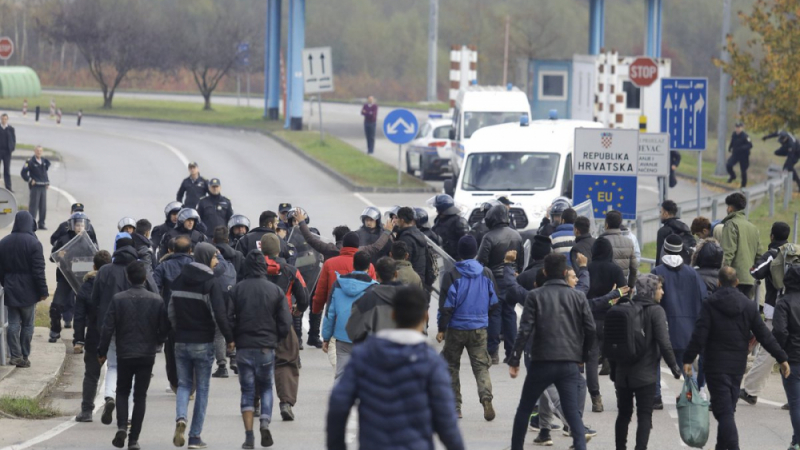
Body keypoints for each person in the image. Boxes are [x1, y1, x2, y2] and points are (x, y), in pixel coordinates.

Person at [327, 285, 465, 450]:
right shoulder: (431, 361)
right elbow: (445, 420)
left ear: (393, 314)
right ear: (424, 317)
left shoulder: (364, 355)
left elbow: (339, 403)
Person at [684, 267, 790, 450]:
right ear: (737, 283)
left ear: (718, 282)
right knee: (727, 411)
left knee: (724, 413)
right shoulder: (748, 306)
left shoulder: (710, 304)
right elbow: (764, 335)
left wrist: (688, 358)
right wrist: (781, 357)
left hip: (715, 366)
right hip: (736, 368)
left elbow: (699, 334)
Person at [508, 253, 594, 450]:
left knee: (524, 409)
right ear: (565, 272)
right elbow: (590, 329)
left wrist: (514, 359)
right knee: (572, 411)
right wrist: (583, 356)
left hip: (541, 361)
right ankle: (580, 446)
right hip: (569, 362)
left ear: (545, 272)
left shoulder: (534, 296)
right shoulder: (578, 296)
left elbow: (525, 329)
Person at [168, 243, 234, 449]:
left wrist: (179, 329)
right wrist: (229, 338)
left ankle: (181, 418)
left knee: (184, 384)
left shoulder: (178, 280)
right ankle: (195, 437)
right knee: (202, 389)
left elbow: (170, 311)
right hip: (203, 342)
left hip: (181, 340)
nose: (216, 261)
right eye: (214, 257)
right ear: (206, 258)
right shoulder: (210, 283)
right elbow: (219, 315)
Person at [98, 261, 169, 450]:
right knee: (140, 396)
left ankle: (121, 426)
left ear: (128, 278)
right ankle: (134, 439)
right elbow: (164, 328)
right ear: (145, 278)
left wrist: (102, 351)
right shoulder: (156, 300)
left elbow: (107, 328)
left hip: (125, 351)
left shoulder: (118, 299)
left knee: (122, 391)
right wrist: (158, 341)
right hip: (147, 353)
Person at [92, 233, 158, 426]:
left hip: (109, 325)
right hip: (135, 329)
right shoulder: (139, 270)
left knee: (113, 366)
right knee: (131, 373)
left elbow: (94, 299)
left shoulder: (104, 271)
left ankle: (108, 397)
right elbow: (155, 293)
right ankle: (128, 415)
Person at [230, 249, 293, 449]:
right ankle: (265, 422)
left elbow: (228, 317)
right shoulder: (274, 290)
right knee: (266, 387)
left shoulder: (237, 290)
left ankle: (249, 436)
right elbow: (285, 321)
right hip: (266, 346)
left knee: (247, 390)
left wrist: (232, 338)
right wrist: (277, 338)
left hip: (244, 347)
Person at [611, 274, 681, 450]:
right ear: (651, 291)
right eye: (659, 288)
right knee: (644, 416)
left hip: (623, 374)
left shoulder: (624, 307)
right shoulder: (656, 311)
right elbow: (664, 342)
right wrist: (674, 368)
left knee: (624, 415)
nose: (662, 292)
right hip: (645, 375)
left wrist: (614, 371)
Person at [437, 235, 498, 420]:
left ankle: (455, 407)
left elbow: (445, 307)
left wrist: (441, 328)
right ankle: (486, 398)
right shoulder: (486, 273)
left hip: (456, 328)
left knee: (451, 366)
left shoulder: (451, 274)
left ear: (459, 253)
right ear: (475, 251)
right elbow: (494, 302)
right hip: (479, 328)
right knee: (481, 367)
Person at [651, 234, 708, 409]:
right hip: (687, 327)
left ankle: (655, 397)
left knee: (654, 360)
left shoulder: (657, 272)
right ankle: (693, 391)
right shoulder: (692, 273)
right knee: (686, 363)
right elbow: (702, 298)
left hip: (663, 325)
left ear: (664, 249)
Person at [740, 221, 791, 405]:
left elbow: (756, 272)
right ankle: (794, 398)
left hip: (776, 310)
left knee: (768, 351)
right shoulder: (794, 253)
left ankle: (751, 391)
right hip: (797, 309)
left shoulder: (773, 254)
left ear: (772, 236)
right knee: (794, 354)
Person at [261, 233, 308, 420]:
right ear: (279, 249)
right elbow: (303, 296)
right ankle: (286, 402)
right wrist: (297, 310)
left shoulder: (253, 269)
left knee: (258, 360)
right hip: (283, 320)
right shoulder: (291, 270)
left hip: (258, 322)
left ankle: (256, 402)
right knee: (287, 361)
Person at [0, 211, 48, 368]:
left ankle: (15, 355)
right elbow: (38, 270)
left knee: (13, 323)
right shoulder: (34, 243)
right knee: (27, 325)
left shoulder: (4, 242)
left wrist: (5, 283)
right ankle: (25, 355)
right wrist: (43, 291)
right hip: (29, 290)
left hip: (10, 288)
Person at [477, 205, 524, 364]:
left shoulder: (489, 237)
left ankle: (493, 352)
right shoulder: (516, 235)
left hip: (493, 280)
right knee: (510, 314)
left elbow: (481, 261)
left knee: (494, 314)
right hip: (511, 278)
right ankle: (511, 352)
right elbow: (521, 262)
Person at [586, 237, 627, 412]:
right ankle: (620, 394)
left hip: (590, 318)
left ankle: (596, 398)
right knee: (618, 358)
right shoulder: (615, 269)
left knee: (591, 359)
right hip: (612, 319)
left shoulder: (587, 269)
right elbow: (624, 294)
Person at [322, 251, 377, 380]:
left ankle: (340, 399)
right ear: (369, 267)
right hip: (366, 337)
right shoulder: (375, 288)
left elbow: (330, 313)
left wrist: (326, 337)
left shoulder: (338, 284)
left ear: (353, 265)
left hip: (342, 335)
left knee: (341, 374)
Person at [73, 250, 112, 422]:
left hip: (94, 336)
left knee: (91, 375)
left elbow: (79, 317)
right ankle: (118, 405)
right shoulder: (116, 284)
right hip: (115, 335)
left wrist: (78, 340)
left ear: (94, 266)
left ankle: (87, 410)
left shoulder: (86, 286)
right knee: (118, 371)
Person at [153, 236, 194, 391]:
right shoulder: (196, 265)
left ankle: (176, 382)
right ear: (190, 250)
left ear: (172, 250)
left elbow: (154, 287)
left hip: (170, 313)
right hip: (193, 313)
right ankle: (190, 383)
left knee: (171, 350)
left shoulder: (164, 266)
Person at [49, 212, 90, 343]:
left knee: (85, 308)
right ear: (72, 225)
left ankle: (80, 337)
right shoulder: (64, 239)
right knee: (56, 306)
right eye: (77, 225)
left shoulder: (88, 240)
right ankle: (55, 331)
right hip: (65, 277)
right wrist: (59, 254)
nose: (80, 227)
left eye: (82, 225)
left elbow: (96, 256)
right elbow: (52, 257)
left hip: (83, 279)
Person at [312, 231, 376, 316]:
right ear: (358, 245)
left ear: (343, 245)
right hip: (359, 315)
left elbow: (321, 290)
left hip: (334, 311)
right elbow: (373, 292)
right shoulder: (368, 265)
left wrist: (316, 308)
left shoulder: (329, 263)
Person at [773, 260, 800, 450]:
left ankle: (798, 440)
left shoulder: (783, 303)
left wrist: (780, 355)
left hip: (792, 358)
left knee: (796, 403)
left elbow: (780, 331)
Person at [346, 257, 402, 343]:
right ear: (396, 274)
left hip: (374, 352)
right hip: (404, 353)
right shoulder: (412, 298)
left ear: (377, 275)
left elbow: (352, 331)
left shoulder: (367, 299)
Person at [721, 192, 760, 298]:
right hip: (750, 279)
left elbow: (728, 253)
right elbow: (759, 255)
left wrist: (722, 276)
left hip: (734, 278)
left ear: (730, 208)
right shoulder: (753, 227)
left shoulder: (731, 224)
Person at [600, 210, 637, 289]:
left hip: (604, 287)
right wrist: (630, 286)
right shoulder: (629, 242)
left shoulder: (601, 242)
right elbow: (634, 268)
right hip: (622, 287)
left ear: (606, 224)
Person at [393, 206, 430, 283]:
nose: (396, 221)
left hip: (409, 279)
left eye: (397, 218)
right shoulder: (418, 233)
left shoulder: (406, 238)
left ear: (402, 220)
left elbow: (404, 262)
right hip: (419, 277)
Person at [20, 145, 50, 230]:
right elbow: (23, 173)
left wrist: (47, 182)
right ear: (34, 151)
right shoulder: (30, 161)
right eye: (37, 151)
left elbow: (44, 173)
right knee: (34, 206)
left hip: (43, 186)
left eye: (40, 151)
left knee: (43, 207)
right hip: (35, 186)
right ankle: (31, 224)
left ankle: (41, 223)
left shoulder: (44, 161)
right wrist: (30, 180)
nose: (39, 152)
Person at [431, 194, 470, 260]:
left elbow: (466, 244)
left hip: (455, 260)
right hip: (441, 257)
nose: (436, 211)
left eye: (437, 209)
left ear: (442, 209)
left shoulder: (459, 222)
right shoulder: (439, 220)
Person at [656, 200, 694, 264]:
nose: (660, 215)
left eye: (661, 212)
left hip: (668, 268)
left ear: (666, 213)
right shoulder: (684, 227)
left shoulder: (663, 231)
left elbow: (659, 256)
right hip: (684, 266)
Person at [726, 122, 753, 187]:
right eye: (736, 128)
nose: (737, 129)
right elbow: (732, 142)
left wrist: (742, 148)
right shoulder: (734, 134)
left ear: (742, 128)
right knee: (728, 165)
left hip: (744, 156)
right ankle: (733, 176)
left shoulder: (745, 136)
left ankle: (743, 186)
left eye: (739, 128)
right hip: (735, 154)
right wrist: (730, 147)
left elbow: (750, 145)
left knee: (743, 171)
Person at [0, 113, 16, 191]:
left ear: (7, 119)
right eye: (2, 119)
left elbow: (13, 139)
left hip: (7, 152)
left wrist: (12, 148)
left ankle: (8, 187)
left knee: (7, 170)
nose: (4, 120)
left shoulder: (10, 129)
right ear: (0, 119)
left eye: (5, 119)